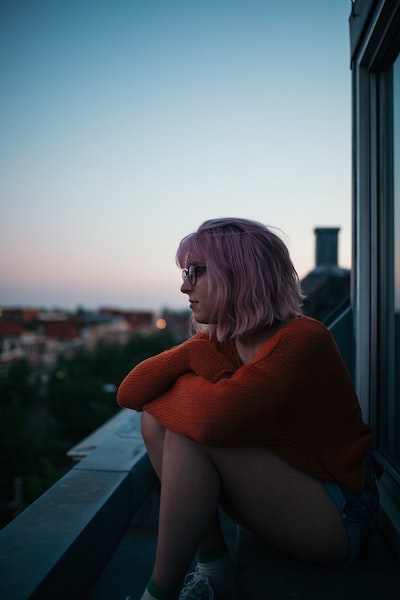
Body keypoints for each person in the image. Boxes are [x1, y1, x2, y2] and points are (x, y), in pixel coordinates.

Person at [117, 217, 380, 600]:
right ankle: (213, 568)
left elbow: (214, 419)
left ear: (238, 274)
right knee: (159, 421)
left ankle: (159, 594)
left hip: (343, 516)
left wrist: (197, 387)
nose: (184, 285)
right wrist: (196, 351)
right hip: (291, 495)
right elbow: (130, 392)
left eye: (195, 271)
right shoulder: (224, 340)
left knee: (188, 432)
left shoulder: (303, 339)